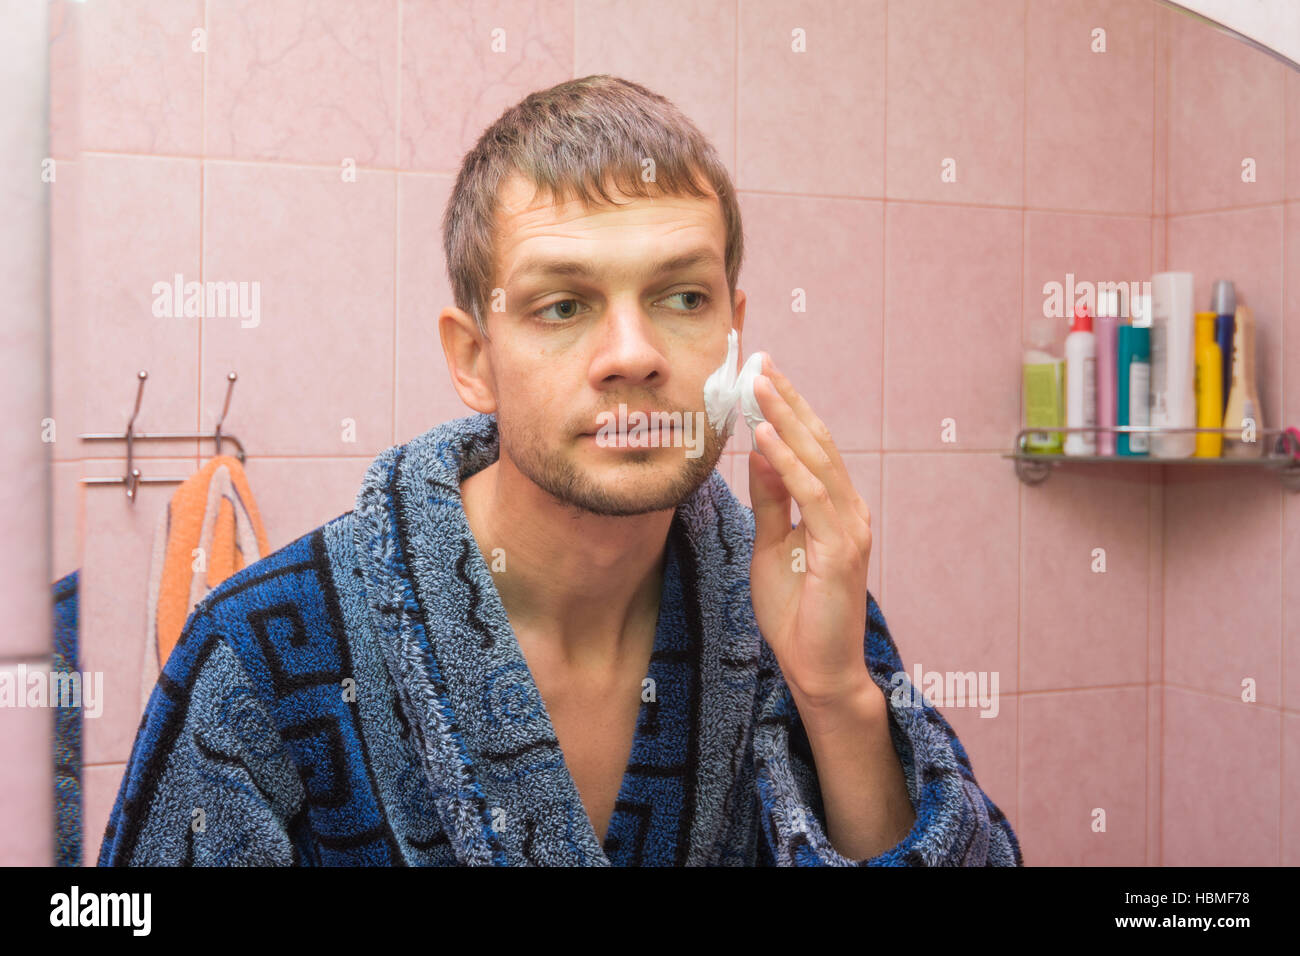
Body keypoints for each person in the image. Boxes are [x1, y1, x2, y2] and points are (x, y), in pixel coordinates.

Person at [99, 75, 1022, 866]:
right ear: (472, 358)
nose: (634, 353)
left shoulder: (797, 611)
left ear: (733, 332)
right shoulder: (259, 657)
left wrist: (836, 694)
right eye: (563, 305)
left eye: (683, 297)